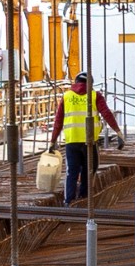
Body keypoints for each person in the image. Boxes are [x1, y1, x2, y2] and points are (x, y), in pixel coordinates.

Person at [47, 72, 122, 204]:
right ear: (90, 84)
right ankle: (84, 198)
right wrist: (118, 132)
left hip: (72, 141)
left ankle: (69, 201)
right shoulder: (94, 95)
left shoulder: (67, 96)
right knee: (90, 169)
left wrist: (52, 141)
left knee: (72, 172)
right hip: (89, 141)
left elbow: (58, 121)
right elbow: (107, 114)